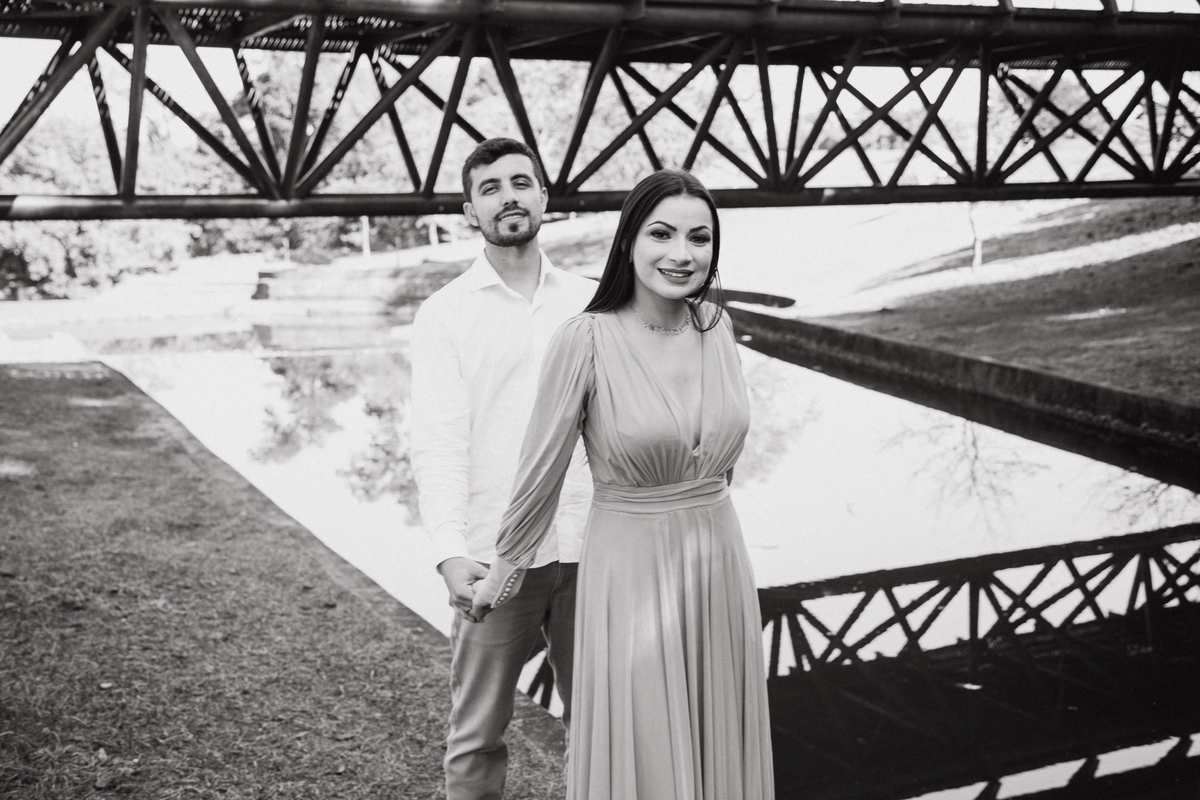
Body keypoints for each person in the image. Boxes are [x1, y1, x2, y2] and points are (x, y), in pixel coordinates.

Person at [471, 169, 774, 800]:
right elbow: (542, 467)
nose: (681, 254)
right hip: (633, 572)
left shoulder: (717, 327)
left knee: (718, 733)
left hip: (719, 564)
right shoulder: (585, 338)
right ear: (629, 241)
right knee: (647, 746)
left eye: (699, 238)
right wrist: (504, 568)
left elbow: (721, 459)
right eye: (661, 234)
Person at [409, 137, 597, 800]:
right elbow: (438, 442)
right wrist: (449, 550)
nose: (508, 197)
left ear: (544, 197)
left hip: (593, 546)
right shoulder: (445, 314)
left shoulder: (594, 303)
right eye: (490, 188)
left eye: (521, 182)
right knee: (476, 736)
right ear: (470, 212)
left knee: (600, 729)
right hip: (496, 557)